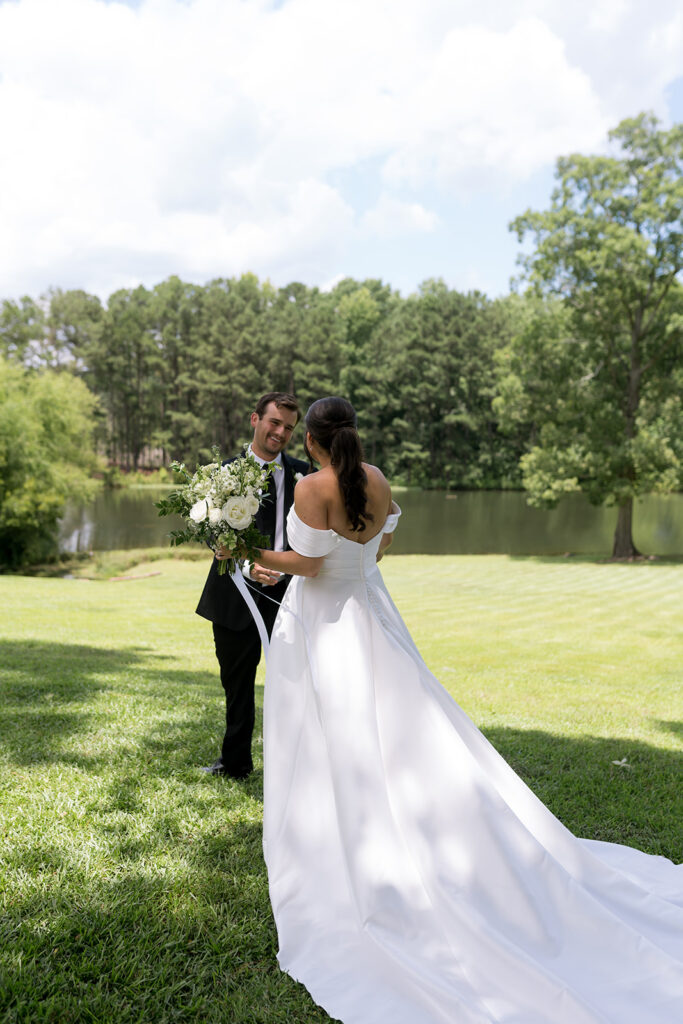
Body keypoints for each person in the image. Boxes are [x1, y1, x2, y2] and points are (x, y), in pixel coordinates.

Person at [221, 395, 683, 1024]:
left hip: (326, 624)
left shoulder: (310, 489)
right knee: (403, 727)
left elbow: (306, 564)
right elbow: (374, 553)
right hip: (373, 612)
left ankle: (337, 845)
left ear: (309, 439)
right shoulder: (376, 480)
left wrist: (244, 551)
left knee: (331, 732)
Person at [195, 392, 308, 780]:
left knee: (294, 681)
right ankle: (236, 764)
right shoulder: (219, 475)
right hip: (234, 595)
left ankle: (293, 765)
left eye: (289, 428)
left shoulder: (304, 475)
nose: (280, 432)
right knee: (237, 684)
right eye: (274, 422)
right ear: (254, 419)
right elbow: (213, 535)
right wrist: (247, 565)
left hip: (291, 595)